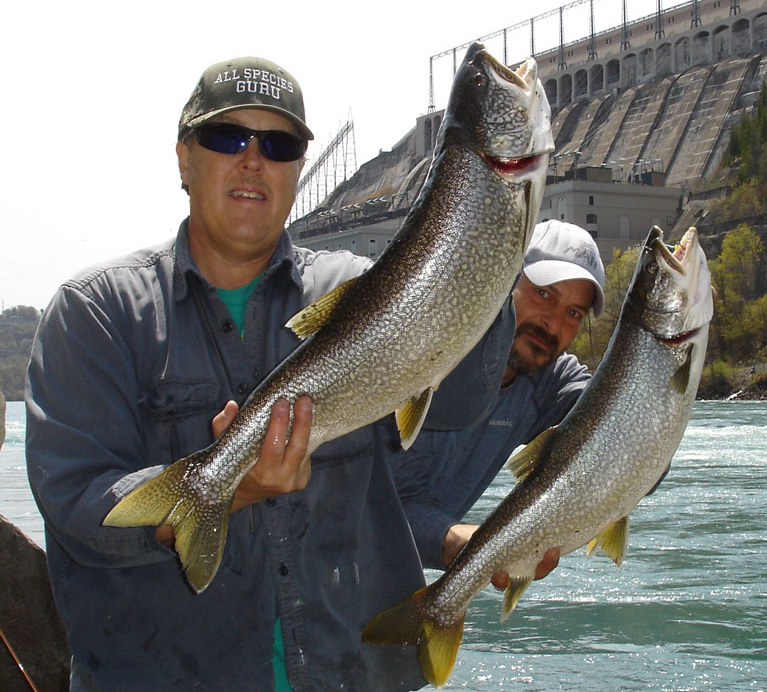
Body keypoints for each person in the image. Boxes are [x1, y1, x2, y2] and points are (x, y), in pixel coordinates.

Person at [25, 56, 515, 692]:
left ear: (297, 170)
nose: (253, 159)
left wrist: (485, 244)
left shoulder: (360, 289)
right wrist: (229, 486)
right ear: (183, 158)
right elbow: (76, 507)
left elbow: (462, 401)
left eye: (279, 145)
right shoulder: (94, 314)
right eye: (226, 137)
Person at [389, 219, 606, 574]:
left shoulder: (551, 382)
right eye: (544, 293)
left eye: (573, 313)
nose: (552, 323)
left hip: (389, 586)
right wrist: (451, 540)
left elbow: (623, 443)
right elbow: (367, 509)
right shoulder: (426, 354)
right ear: (505, 281)